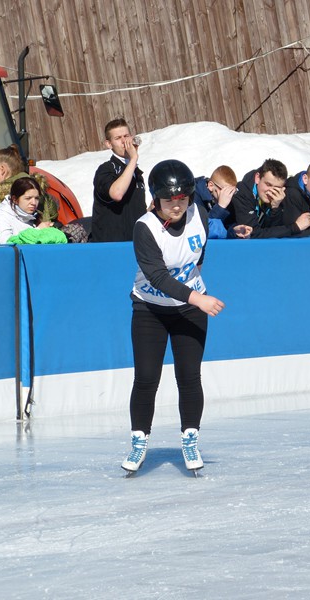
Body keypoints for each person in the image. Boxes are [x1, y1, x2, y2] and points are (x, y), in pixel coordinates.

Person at [121, 159, 224, 474]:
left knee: (189, 376)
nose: (177, 206)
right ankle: (139, 442)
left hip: (189, 310)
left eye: (182, 199)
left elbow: (200, 252)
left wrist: (195, 291)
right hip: (150, 308)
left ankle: (190, 440)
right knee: (146, 378)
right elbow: (158, 277)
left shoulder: (199, 214)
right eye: (169, 201)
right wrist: (198, 298)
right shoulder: (145, 228)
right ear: (156, 199)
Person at [91, 118, 146, 242]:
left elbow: (134, 212)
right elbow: (117, 194)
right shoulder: (105, 170)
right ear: (109, 144)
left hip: (135, 243)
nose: (124, 141)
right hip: (111, 245)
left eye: (126, 136)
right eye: (118, 138)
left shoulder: (136, 172)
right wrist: (133, 159)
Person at [231, 159, 310, 238]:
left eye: (277, 188)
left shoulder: (279, 196)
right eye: (268, 184)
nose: (271, 191)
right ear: (257, 178)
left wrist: (275, 207)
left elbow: (272, 232)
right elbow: (253, 233)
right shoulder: (242, 193)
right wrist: (295, 227)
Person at [0, 176, 53, 245]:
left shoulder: (33, 217)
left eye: (36, 198)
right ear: (15, 199)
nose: (33, 203)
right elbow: (6, 245)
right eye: (28, 198)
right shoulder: (1, 217)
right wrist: (38, 230)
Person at [192, 165, 251, 239]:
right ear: (211, 186)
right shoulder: (194, 197)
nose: (228, 196)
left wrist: (235, 231)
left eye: (232, 192)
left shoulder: (229, 199)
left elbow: (227, 227)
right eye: (225, 191)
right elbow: (201, 228)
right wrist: (220, 207)